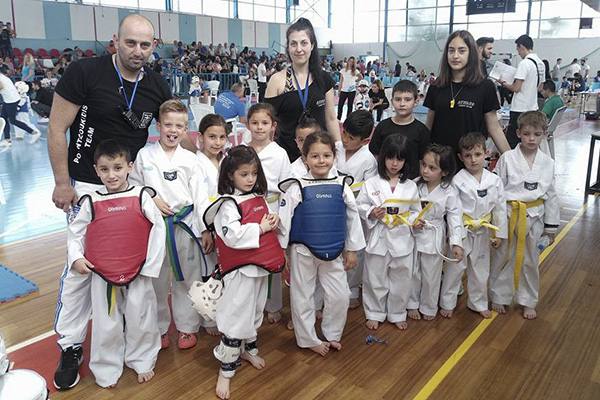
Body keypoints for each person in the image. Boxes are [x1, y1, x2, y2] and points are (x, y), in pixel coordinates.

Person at [48, 14, 187, 390]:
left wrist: (206, 153)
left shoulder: (156, 84)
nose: (137, 51)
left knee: (132, 265)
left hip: (132, 185)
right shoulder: (85, 72)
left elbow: (174, 129)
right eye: (130, 43)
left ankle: (134, 338)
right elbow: (57, 127)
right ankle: (71, 345)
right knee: (80, 267)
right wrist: (62, 182)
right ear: (116, 40)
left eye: (145, 44)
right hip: (87, 184)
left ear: (153, 46)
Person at [67, 139, 165, 388]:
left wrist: (150, 266)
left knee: (141, 316)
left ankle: (142, 360)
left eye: (118, 168)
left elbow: (158, 230)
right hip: (103, 272)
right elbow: (76, 232)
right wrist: (77, 257)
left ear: (130, 167)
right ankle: (107, 368)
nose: (111, 175)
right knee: (106, 322)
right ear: (96, 170)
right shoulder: (90, 200)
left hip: (138, 270)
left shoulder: (141, 196)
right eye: (105, 169)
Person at [129, 100, 212, 351]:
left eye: (178, 126)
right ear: (158, 126)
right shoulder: (145, 155)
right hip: (155, 227)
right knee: (157, 279)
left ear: (186, 129)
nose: (172, 130)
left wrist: (205, 228)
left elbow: (200, 196)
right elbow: (135, 187)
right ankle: (160, 328)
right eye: (168, 125)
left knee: (187, 277)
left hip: (185, 224)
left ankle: (187, 327)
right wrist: (152, 198)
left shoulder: (191, 159)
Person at [203, 145, 284, 400]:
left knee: (255, 311)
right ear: (230, 175)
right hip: (240, 271)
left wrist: (273, 221)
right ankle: (225, 371)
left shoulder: (258, 197)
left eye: (254, 173)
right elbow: (233, 236)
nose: (250, 179)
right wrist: (260, 228)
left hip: (260, 267)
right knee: (237, 316)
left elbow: (265, 221)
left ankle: (248, 350)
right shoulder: (227, 204)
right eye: (244, 174)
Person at [279, 131, 365, 355]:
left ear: (334, 157)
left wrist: (352, 250)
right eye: (315, 156)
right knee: (302, 296)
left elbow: (352, 218)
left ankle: (332, 334)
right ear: (305, 158)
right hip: (302, 250)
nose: (321, 161)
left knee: (341, 295)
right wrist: (282, 251)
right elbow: (284, 222)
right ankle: (308, 339)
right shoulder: (296, 187)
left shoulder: (342, 184)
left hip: (334, 250)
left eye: (326, 156)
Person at [490, 111, 559, 320]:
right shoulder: (507, 158)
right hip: (508, 214)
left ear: (544, 134)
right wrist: (495, 222)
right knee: (503, 257)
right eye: (527, 134)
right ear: (518, 133)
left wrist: (550, 228)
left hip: (535, 216)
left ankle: (528, 300)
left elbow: (551, 195)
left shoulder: (548, 162)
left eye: (537, 134)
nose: (531, 139)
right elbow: (496, 190)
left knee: (531, 260)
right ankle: (499, 296)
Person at [356, 134, 422, 330]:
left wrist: (415, 222)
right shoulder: (371, 183)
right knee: (375, 277)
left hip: (402, 238)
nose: (394, 164)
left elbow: (415, 211)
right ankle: (374, 312)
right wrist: (371, 212)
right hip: (379, 237)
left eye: (400, 159)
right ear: (382, 157)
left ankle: (397, 312)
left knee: (401, 278)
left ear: (406, 161)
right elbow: (359, 205)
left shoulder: (410, 186)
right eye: (390, 158)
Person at [439, 133, 508, 319]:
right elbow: (453, 212)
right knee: (454, 269)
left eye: (477, 154)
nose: (473, 160)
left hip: (483, 231)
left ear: (486, 153)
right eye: (468, 156)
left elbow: (500, 209)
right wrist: (455, 240)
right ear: (460, 157)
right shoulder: (456, 180)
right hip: (462, 229)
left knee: (480, 270)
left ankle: (478, 303)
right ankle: (447, 302)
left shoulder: (494, 180)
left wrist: (500, 234)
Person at [425, 30, 510, 160]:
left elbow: (494, 128)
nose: (455, 56)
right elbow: (428, 126)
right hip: (439, 162)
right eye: (451, 51)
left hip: (470, 161)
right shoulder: (436, 86)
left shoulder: (485, 87)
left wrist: (511, 160)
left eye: (461, 51)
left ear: (471, 53)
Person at [265, 18, 340, 161]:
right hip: (287, 157)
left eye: (304, 43)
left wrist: (338, 150)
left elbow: (331, 119)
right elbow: (267, 122)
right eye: (293, 44)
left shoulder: (324, 79)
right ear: (288, 47)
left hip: (319, 158)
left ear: (312, 45)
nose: (299, 49)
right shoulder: (277, 81)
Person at [244, 103, 291, 324]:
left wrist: (280, 215)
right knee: (250, 257)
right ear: (247, 124)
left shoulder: (279, 153)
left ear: (273, 126)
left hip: (272, 208)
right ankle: (250, 304)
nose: (259, 127)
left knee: (272, 258)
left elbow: (287, 190)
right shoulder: (241, 150)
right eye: (254, 123)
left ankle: (273, 305)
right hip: (247, 208)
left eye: (264, 123)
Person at [407, 144, 463, 321]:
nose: (425, 170)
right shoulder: (413, 185)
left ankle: (429, 306)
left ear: (444, 172)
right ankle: (411, 303)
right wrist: (413, 220)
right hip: (414, 233)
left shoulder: (449, 192)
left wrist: (456, 243)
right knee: (412, 271)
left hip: (434, 234)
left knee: (431, 274)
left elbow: (455, 218)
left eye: (432, 168)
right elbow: (406, 208)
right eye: (424, 165)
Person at [336, 110, 378, 309]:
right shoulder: (335, 148)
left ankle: (352, 287)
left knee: (355, 249)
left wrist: (355, 204)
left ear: (365, 141)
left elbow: (369, 190)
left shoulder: (368, 160)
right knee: (335, 247)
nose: (345, 139)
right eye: (344, 132)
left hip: (356, 206)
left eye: (351, 137)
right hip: (332, 205)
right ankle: (332, 286)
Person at [369, 80, 430, 179]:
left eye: (407, 100)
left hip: (411, 180)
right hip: (384, 179)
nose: (402, 104)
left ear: (416, 102)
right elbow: (375, 154)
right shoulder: (382, 126)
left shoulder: (422, 131)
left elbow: (422, 159)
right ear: (392, 101)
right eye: (398, 99)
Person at [0, 64, 41, 148]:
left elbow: (1, 86)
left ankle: (33, 132)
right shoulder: (2, 76)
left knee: (12, 120)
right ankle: (7, 140)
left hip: (11, 99)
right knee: (3, 119)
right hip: (8, 99)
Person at [337, 56, 361, 120]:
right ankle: (338, 118)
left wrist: (355, 81)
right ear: (348, 61)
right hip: (343, 90)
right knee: (340, 105)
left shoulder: (355, 71)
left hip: (351, 91)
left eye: (352, 62)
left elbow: (361, 77)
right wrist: (339, 90)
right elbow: (341, 81)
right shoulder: (343, 71)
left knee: (350, 105)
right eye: (350, 61)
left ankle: (348, 119)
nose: (351, 63)